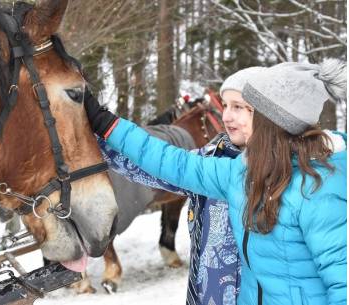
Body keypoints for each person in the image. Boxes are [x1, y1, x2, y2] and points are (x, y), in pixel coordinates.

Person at [86, 59, 347, 305]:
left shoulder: (320, 187)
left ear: (275, 123)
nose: (227, 117)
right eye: (226, 106)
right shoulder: (239, 172)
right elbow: (167, 161)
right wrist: (103, 123)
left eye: (243, 107)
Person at [99, 67, 263, 305]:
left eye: (237, 107)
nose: (226, 117)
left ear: (266, 112)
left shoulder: (300, 177)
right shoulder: (212, 160)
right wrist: (97, 131)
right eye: (225, 106)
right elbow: (155, 162)